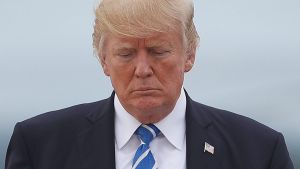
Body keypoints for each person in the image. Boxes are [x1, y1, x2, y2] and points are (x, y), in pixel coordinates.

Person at [5, 0, 294, 169]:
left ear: (189, 54)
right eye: (126, 54)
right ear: (104, 59)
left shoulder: (258, 152)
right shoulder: (40, 147)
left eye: (158, 51)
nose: (142, 70)